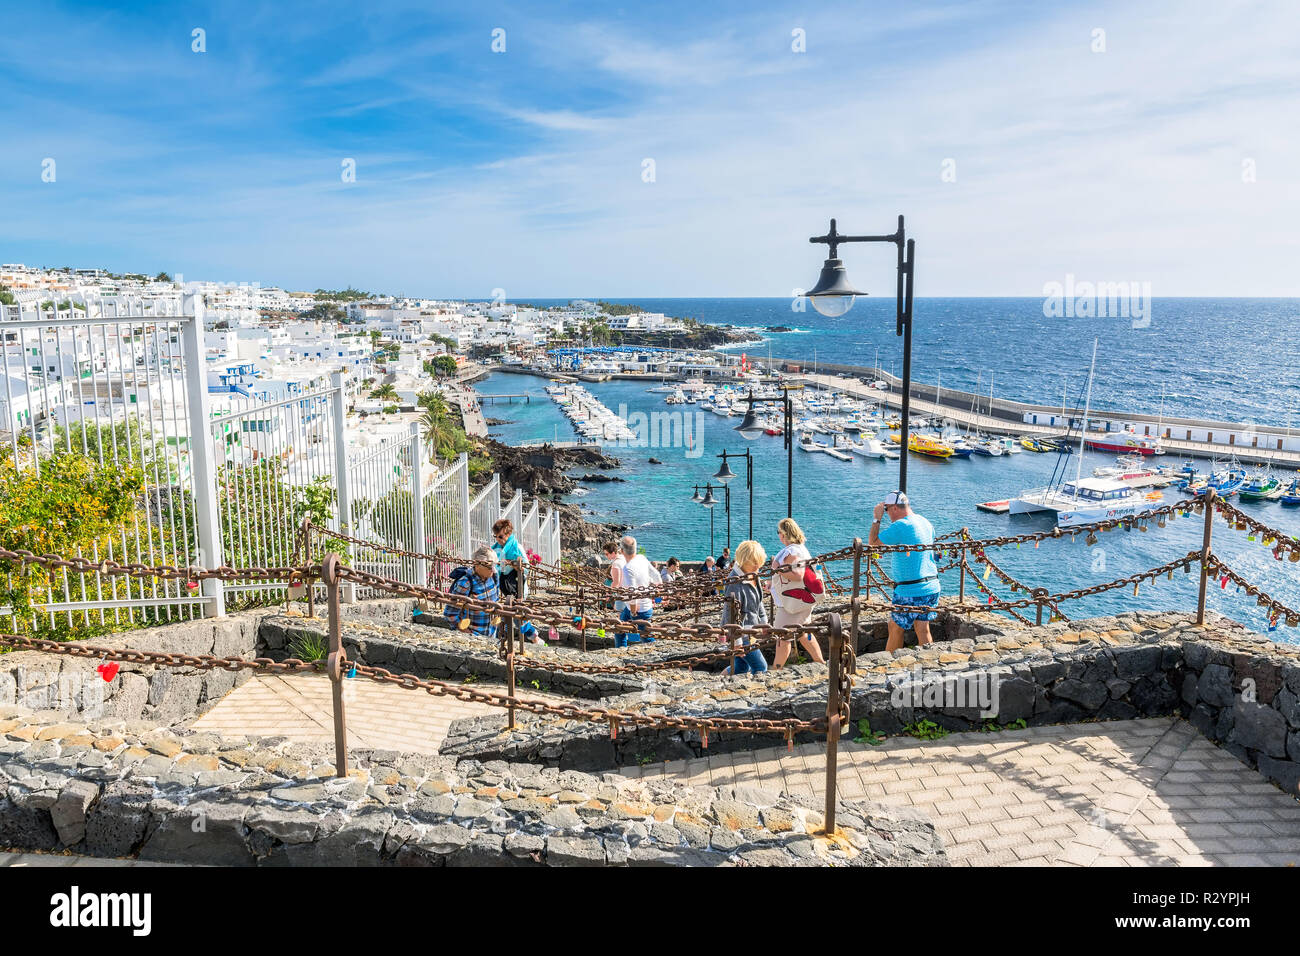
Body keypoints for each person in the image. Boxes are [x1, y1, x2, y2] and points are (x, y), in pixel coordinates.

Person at [869, 491, 941, 652]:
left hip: (910, 589)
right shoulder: (925, 521)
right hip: (931, 585)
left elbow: (873, 544)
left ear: (895, 508)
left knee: (895, 628)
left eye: (886, 510)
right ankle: (930, 662)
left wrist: (876, 518)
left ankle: (888, 667)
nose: (887, 514)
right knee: (923, 628)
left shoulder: (901, 525)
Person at [769, 517, 828, 668]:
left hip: (790, 604)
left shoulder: (792, 551)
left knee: (783, 637)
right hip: (801, 601)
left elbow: (798, 575)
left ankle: (776, 669)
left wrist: (776, 569)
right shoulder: (801, 548)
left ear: (784, 534)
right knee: (803, 632)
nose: (778, 535)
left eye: (779, 532)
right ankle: (820, 663)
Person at [719, 540, 769, 676]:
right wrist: (737, 641)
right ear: (744, 560)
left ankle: (718, 682)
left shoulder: (753, 575)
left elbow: (759, 602)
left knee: (740, 667)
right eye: (754, 562)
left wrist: (764, 623)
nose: (758, 565)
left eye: (759, 561)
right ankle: (758, 694)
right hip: (740, 633)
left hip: (751, 630)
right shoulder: (735, 582)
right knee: (760, 666)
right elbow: (731, 614)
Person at [492, 518, 543, 645]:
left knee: (513, 615)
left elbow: (526, 567)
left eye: (500, 536)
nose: (498, 539)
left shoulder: (517, 547)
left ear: (508, 534)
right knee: (513, 616)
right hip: (505, 586)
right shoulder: (497, 549)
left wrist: (515, 565)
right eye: (496, 536)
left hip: (517, 587)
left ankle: (507, 639)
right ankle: (532, 637)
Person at [443, 546, 502, 637]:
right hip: (473, 635)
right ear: (478, 564)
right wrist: (464, 631)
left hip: (491, 633)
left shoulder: (494, 576)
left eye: (495, 565)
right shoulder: (465, 583)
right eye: (490, 566)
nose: (494, 569)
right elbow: (450, 614)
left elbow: (496, 600)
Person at [616, 535, 657, 647]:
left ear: (622, 551)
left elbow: (633, 593)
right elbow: (656, 575)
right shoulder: (642, 558)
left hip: (638, 610)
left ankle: (654, 656)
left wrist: (633, 612)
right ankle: (620, 650)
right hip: (641, 606)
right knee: (620, 629)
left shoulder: (628, 568)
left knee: (646, 638)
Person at [604, 539, 626, 615]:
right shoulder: (623, 558)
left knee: (620, 615)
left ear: (613, 553)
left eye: (607, 554)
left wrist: (608, 594)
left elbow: (616, 582)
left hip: (620, 593)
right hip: (628, 590)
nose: (605, 556)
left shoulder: (616, 564)